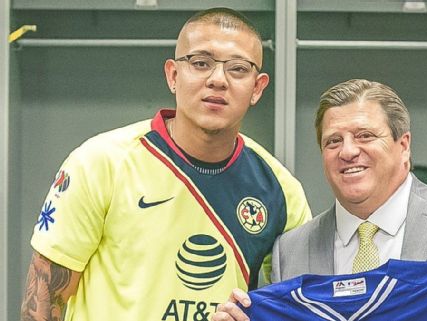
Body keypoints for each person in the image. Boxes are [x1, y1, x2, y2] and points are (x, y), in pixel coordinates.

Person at [20, 7, 311, 321]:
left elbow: (301, 309)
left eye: (238, 69)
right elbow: (42, 306)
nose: (218, 80)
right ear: (174, 75)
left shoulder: (281, 189)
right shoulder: (100, 162)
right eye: (201, 63)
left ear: (257, 87)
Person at [213, 79, 427, 321]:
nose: (348, 151)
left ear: (403, 145)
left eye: (365, 136)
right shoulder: (292, 248)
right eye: (333, 141)